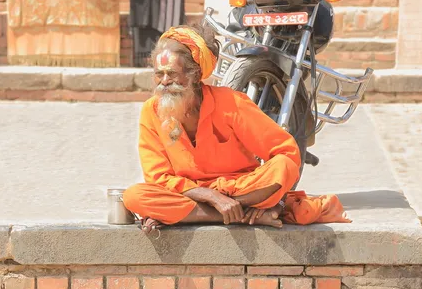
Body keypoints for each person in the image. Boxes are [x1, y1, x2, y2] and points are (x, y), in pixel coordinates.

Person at [123, 25, 349, 234]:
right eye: (158, 74)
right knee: (135, 197)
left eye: (171, 74)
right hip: (191, 194)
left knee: (283, 166)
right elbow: (158, 177)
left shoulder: (232, 103)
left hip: (241, 192)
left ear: (194, 75)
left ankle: (201, 215)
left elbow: (286, 151)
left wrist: (225, 198)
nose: (163, 81)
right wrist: (210, 196)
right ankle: (238, 217)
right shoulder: (151, 111)